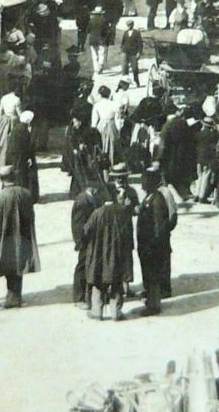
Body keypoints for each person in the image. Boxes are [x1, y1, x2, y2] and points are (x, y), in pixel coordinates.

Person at [81, 166, 137, 321]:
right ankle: (116, 313)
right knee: (117, 282)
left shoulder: (97, 213)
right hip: (118, 251)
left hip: (100, 252)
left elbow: (86, 231)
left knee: (98, 282)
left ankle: (97, 312)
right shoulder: (122, 212)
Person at [0, 165, 40, 308]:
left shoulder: (1, 196)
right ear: (14, 178)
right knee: (19, 265)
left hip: (6, 238)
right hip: (23, 236)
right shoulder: (26, 193)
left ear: (3, 180)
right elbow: (31, 216)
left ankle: (12, 298)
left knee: (8, 266)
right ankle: (16, 295)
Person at [71, 173, 113, 308]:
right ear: (92, 188)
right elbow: (78, 225)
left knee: (91, 267)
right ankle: (79, 298)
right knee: (82, 267)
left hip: (93, 239)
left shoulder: (93, 198)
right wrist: (80, 241)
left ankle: (89, 296)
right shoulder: (81, 201)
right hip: (85, 241)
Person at [136, 168, 174, 315]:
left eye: (145, 181)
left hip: (152, 246)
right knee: (149, 275)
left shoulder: (157, 200)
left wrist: (153, 245)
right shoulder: (149, 197)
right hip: (146, 245)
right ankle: (150, 300)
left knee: (153, 276)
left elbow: (160, 227)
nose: (142, 184)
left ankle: (154, 306)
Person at [159, 107, 198, 201]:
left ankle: (172, 198)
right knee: (177, 179)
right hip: (182, 158)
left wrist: (159, 158)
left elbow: (163, 144)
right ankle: (182, 195)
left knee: (168, 179)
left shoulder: (167, 126)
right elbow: (191, 143)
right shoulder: (185, 125)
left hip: (169, 158)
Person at [91, 85, 121, 161]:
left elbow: (94, 119)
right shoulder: (113, 104)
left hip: (101, 125)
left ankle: (102, 161)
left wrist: (93, 127)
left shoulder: (97, 105)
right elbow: (117, 118)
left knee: (101, 143)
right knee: (112, 144)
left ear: (100, 95)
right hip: (111, 124)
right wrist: (118, 129)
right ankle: (112, 161)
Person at [193, 116, 219, 205]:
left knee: (199, 177)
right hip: (208, 158)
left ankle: (196, 195)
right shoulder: (213, 135)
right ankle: (202, 197)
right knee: (205, 177)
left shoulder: (198, 134)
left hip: (199, 157)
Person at [16, 109, 40, 198]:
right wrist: (29, 158)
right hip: (23, 157)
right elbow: (26, 146)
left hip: (21, 156)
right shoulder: (23, 130)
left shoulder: (20, 128)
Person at [87, 6, 108, 74]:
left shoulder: (91, 20)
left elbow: (88, 30)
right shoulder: (104, 20)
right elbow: (107, 31)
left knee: (94, 55)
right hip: (101, 40)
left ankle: (96, 69)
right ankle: (100, 66)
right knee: (101, 54)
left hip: (92, 40)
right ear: (101, 13)